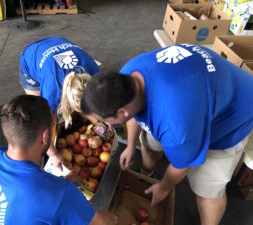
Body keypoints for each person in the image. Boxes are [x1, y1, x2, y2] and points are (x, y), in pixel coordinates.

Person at [80, 44, 253, 225]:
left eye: (106, 120)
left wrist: (164, 187)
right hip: (200, 89)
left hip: (234, 114)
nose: (105, 125)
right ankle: (147, 175)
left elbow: (183, 163)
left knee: (208, 191)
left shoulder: (176, 124)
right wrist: (131, 145)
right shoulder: (127, 75)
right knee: (149, 143)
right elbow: (133, 116)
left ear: (121, 112)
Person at [0, 95, 117, 225]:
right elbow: (104, 223)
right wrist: (114, 216)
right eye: (52, 127)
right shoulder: (60, 194)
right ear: (45, 136)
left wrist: (60, 186)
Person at [19, 37, 100, 169]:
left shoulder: (96, 75)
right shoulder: (52, 92)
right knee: (41, 116)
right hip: (31, 56)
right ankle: (48, 151)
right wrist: (53, 154)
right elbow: (41, 128)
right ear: (66, 100)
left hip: (55, 43)